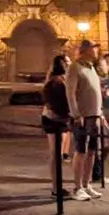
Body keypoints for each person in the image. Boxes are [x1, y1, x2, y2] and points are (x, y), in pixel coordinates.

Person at [65, 38, 103, 202]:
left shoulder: (91, 68)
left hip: (94, 115)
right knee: (81, 150)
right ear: (86, 49)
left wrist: (99, 112)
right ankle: (77, 186)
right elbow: (71, 93)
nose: (96, 50)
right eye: (94, 47)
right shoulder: (75, 67)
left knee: (92, 150)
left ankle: (87, 184)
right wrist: (76, 114)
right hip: (83, 116)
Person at [42, 55, 71, 197]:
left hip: (61, 118)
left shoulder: (63, 79)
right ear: (62, 64)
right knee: (55, 153)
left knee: (58, 153)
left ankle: (57, 185)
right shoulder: (56, 82)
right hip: (54, 119)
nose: (70, 63)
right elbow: (53, 102)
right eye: (68, 61)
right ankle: (55, 187)